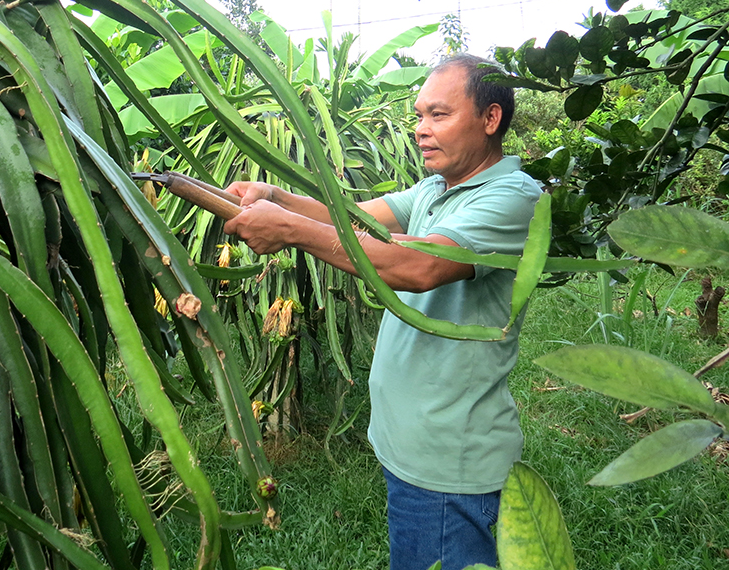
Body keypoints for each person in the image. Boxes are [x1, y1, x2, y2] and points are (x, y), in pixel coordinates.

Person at [223, 53, 542, 570]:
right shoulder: (437, 190)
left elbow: (417, 266)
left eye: (439, 115)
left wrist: (288, 230)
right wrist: (274, 195)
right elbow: (350, 220)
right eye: (419, 116)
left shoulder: (514, 198)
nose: (421, 130)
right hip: (413, 447)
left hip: (449, 463)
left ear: (490, 119)